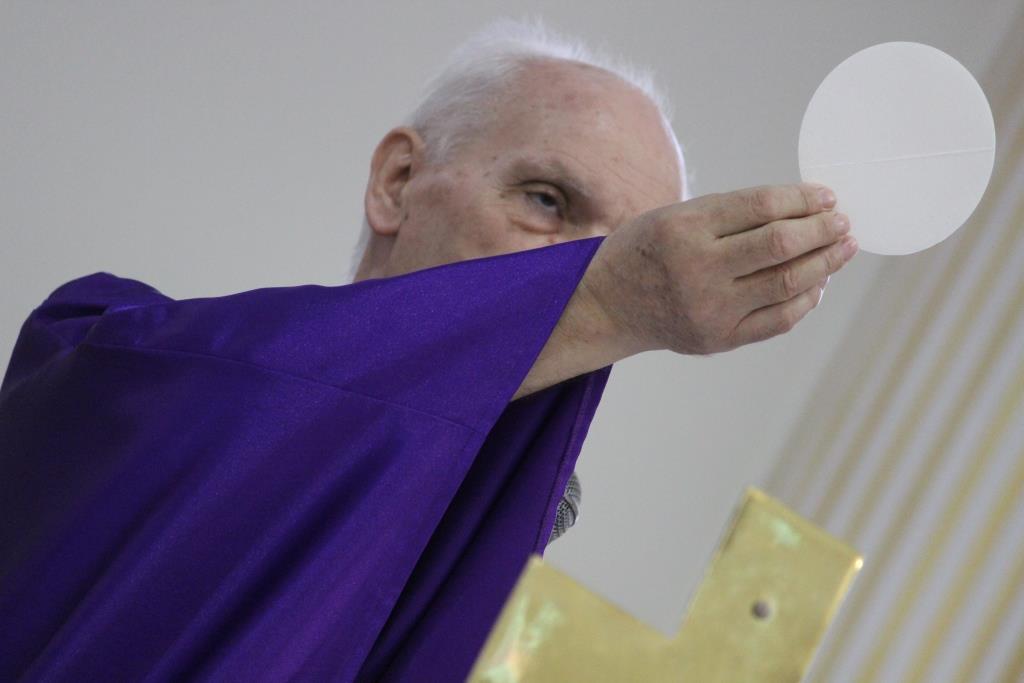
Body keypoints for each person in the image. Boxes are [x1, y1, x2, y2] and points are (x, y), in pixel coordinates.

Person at [0, 17, 857, 682]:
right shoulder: (105, 357)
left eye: (625, 252)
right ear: (398, 181)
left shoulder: (526, 626)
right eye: (548, 200)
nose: (580, 266)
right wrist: (605, 293)